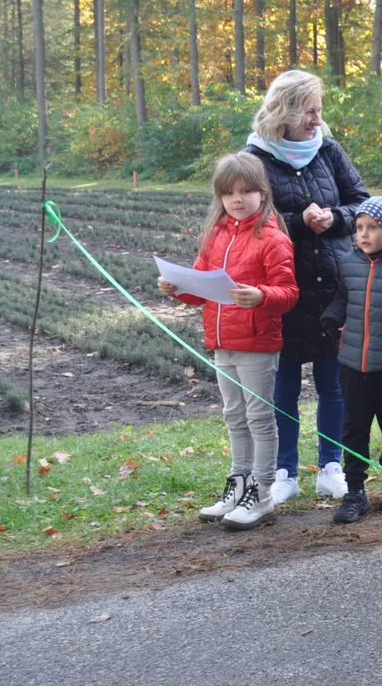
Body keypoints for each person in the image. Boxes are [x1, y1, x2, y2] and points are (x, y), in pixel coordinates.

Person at [245, 69, 370, 504]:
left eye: (319, 111)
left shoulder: (329, 151)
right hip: (284, 288)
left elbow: (362, 203)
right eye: (310, 112)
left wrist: (335, 218)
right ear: (286, 111)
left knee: (333, 383)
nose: (317, 121)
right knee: (284, 387)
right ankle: (284, 472)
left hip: (334, 286)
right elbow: (248, 219)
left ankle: (331, 466)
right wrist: (300, 222)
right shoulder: (255, 160)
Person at [157, 153, 298, 530]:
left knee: (258, 418)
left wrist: (262, 296)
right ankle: (238, 485)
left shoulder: (273, 239)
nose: (237, 199)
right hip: (221, 342)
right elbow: (201, 289)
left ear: (262, 193)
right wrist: (177, 288)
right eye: (229, 192)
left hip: (256, 342)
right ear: (219, 197)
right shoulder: (216, 236)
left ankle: (263, 492)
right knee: (233, 415)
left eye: (246, 191)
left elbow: (288, 292)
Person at [320, 197, 382, 523]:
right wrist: (331, 319)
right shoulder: (349, 263)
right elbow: (342, 298)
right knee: (354, 428)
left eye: (372, 228)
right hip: (352, 363)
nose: (363, 234)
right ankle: (355, 490)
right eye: (359, 228)